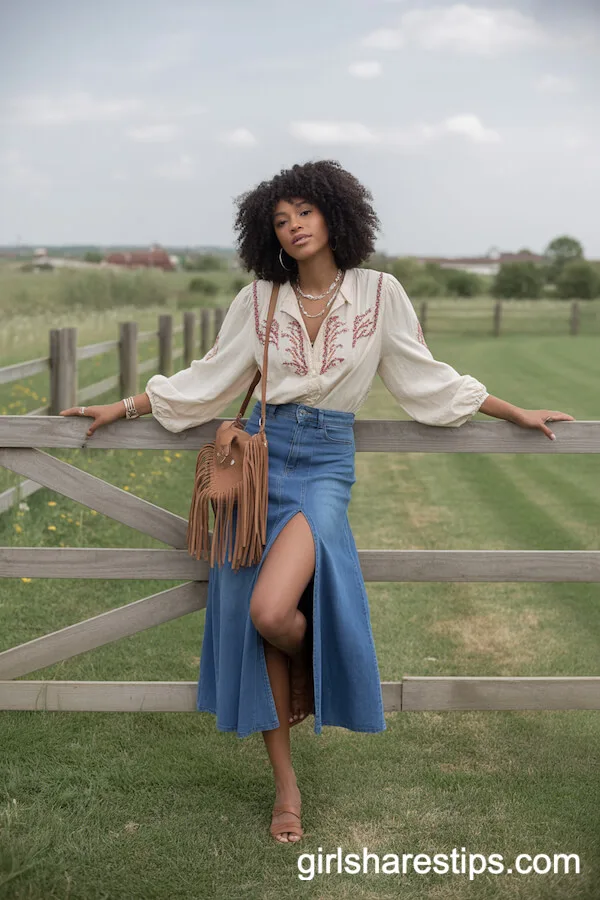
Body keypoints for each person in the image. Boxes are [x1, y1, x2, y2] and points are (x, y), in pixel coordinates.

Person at [60, 159, 575, 844]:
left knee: (272, 613)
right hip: (259, 462)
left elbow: (426, 378)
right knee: (258, 628)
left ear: (335, 214)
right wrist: (123, 406)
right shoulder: (258, 299)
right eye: (281, 219)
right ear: (267, 233)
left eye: (304, 211)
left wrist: (514, 413)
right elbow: (208, 378)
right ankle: (286, 788)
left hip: (325, 467)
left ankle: (312, 658)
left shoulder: (380, 292)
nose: (294, 226)